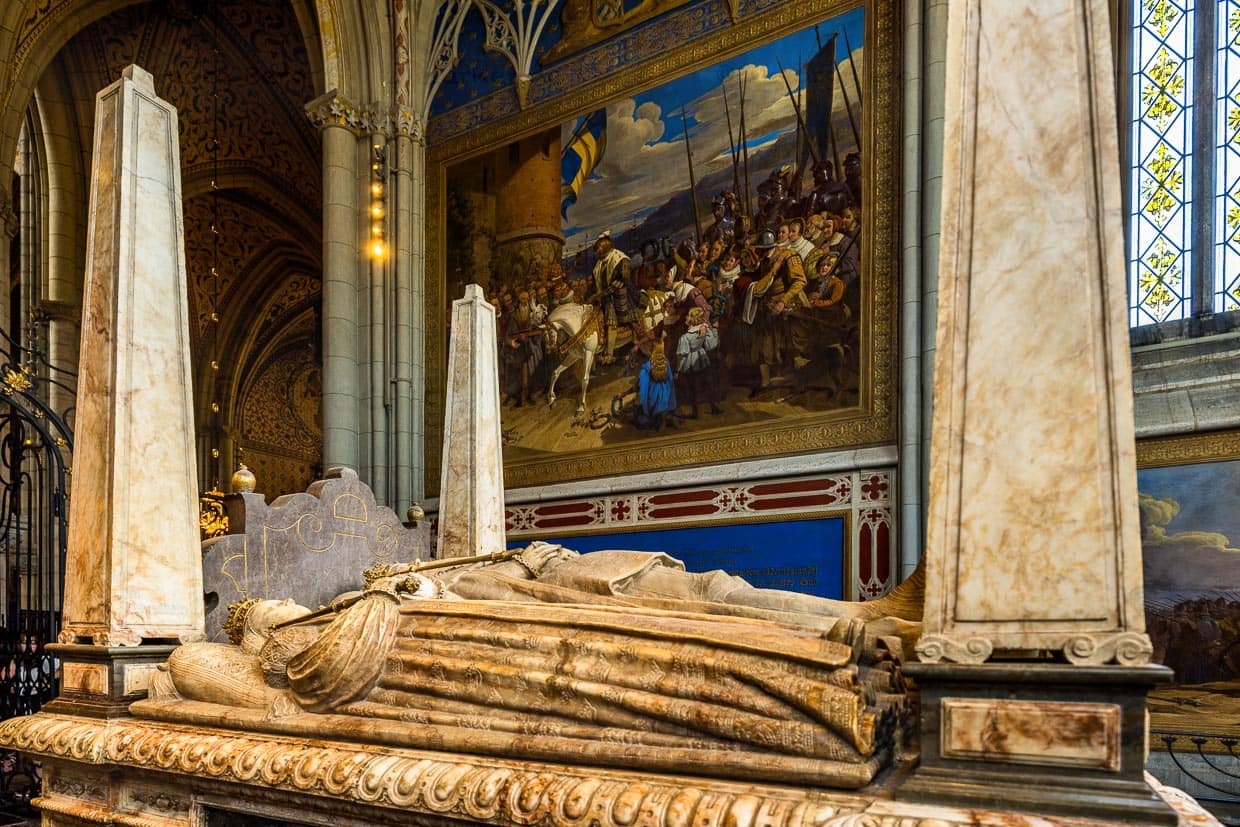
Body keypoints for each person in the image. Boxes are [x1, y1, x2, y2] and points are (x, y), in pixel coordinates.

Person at [161, 541, 921, 789]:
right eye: (264, 616)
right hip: (504, 629)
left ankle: (857, 621)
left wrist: (496, 564)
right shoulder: (307, 642)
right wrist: (400, 593)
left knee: (702, 595)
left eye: (270, 604)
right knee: (686, 636)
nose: (277, 609)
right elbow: (329, 665)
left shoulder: (366, 590)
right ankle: (843, 649)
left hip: (546, 577)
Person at [675, 306, 721, 418]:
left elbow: (682, 355)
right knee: (707, 383)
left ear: (693, 318)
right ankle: (713, 407)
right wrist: (714, 329)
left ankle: (695, 413)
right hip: (702, 358)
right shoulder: (703, 329)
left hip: (690, 363)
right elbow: (712, 344)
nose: (686, 317)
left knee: (692, 388)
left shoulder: (685, 337)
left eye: (689, 315)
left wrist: (677, 370)